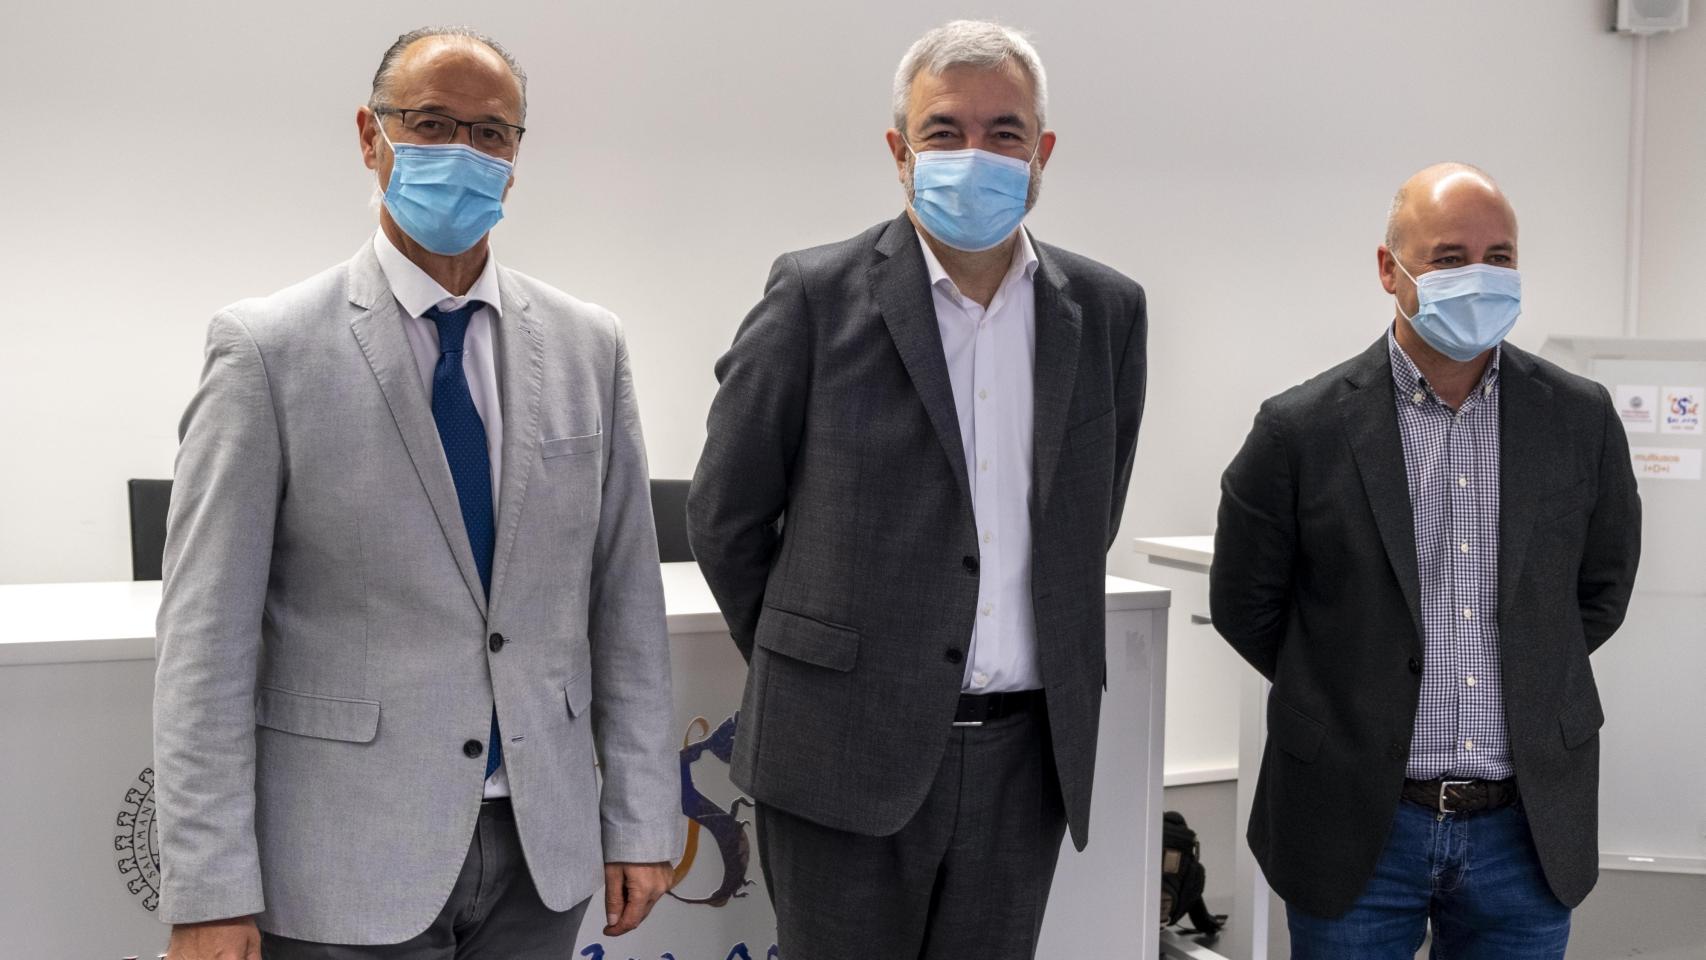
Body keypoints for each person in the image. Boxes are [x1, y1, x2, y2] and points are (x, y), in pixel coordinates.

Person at [153, 26, 678, 959]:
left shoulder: (589, 347)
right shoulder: (267, 350)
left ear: (516, 158)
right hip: (342, 863)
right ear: (371, 136)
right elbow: (205, 645)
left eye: (491, 133)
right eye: (431, 124)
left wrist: (640, 816)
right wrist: (209, 888)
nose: (463, 153)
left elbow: (626, 605)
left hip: (540, 855)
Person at [686, 20, 1147, 960]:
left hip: (1025, 761)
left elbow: (1088, 517)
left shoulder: (1106, 311)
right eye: (944, 131)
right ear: (900, 151)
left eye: (1004, 132)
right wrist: (819, 664)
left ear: (1042, 153)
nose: (975, 154)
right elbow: (725, 517)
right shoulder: (813, 296)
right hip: (839, 753)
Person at [1211, 162, 1642, 959]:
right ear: (1390, 269)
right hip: (1356, 821)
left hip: (1525, 827)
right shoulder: (1300, 430)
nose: (1479, 276)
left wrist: (1530, 665)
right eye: (1449, 258)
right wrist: (1348, 688)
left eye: (1499, 257)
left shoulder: (1579, 419)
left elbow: (1600, 589)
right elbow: (1246, 605)